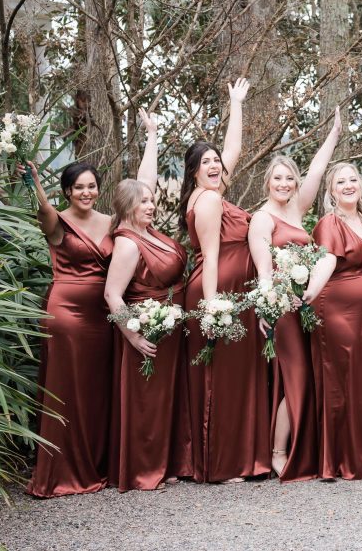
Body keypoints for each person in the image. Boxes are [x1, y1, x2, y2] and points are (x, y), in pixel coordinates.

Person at [179, 77, 271, 483]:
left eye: (217, 161)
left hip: (231, 291)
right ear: (195, 173)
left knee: (231, 375)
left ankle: (231, 457)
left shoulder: (207, 191)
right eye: (207, 164)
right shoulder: (211, 199)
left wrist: (236, 104)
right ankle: (222, 463)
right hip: (219, 292)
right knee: (223, 377)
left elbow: (232, 150)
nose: (216, 166)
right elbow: (212, 257)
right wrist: (214, 309)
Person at [248, 111, 340, 481]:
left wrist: (333, 133)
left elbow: (318, 172)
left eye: (289, 179)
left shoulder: (297, 211)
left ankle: (303, 448)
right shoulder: (262, 219)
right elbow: (263, 270)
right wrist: (264, 310)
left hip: (305, 306)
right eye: (277, 179)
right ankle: (278, 451)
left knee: (307, 376)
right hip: (282, 308)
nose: (284, 184)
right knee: (295, 377)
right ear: (267, 182)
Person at [104, 110, 192, 490]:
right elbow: (112, 293)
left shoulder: (148, 229)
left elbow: (145, 178)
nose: (151, 205)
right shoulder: (126, 242)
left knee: (166, 397)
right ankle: (142, 467)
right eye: (144, 202)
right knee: (147, 400)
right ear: (127, 208)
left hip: (168, 323)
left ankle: (168, 462)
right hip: (145, 329)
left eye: (152, 200)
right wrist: (133, 336)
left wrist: (153, 134)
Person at [23, 158, 114, 498]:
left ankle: (96, 463)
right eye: (79, 187)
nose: (86, 192)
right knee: (66, 391)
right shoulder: (57, 220)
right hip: (66, 313)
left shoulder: (111, 221)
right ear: (67, 191)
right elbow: (41, 208)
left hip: (103, 317)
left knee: (96, 389)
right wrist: (32, 181)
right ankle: (59, 473)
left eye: (91, 186)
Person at [310, 163, 362, 480]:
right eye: (341, 181)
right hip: (336, 309)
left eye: (353, 179)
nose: (349, 185)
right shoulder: (330, 222)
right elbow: (326, 260)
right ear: (331, 190)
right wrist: (309, 293)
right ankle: (339, 458)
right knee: (341, 379)